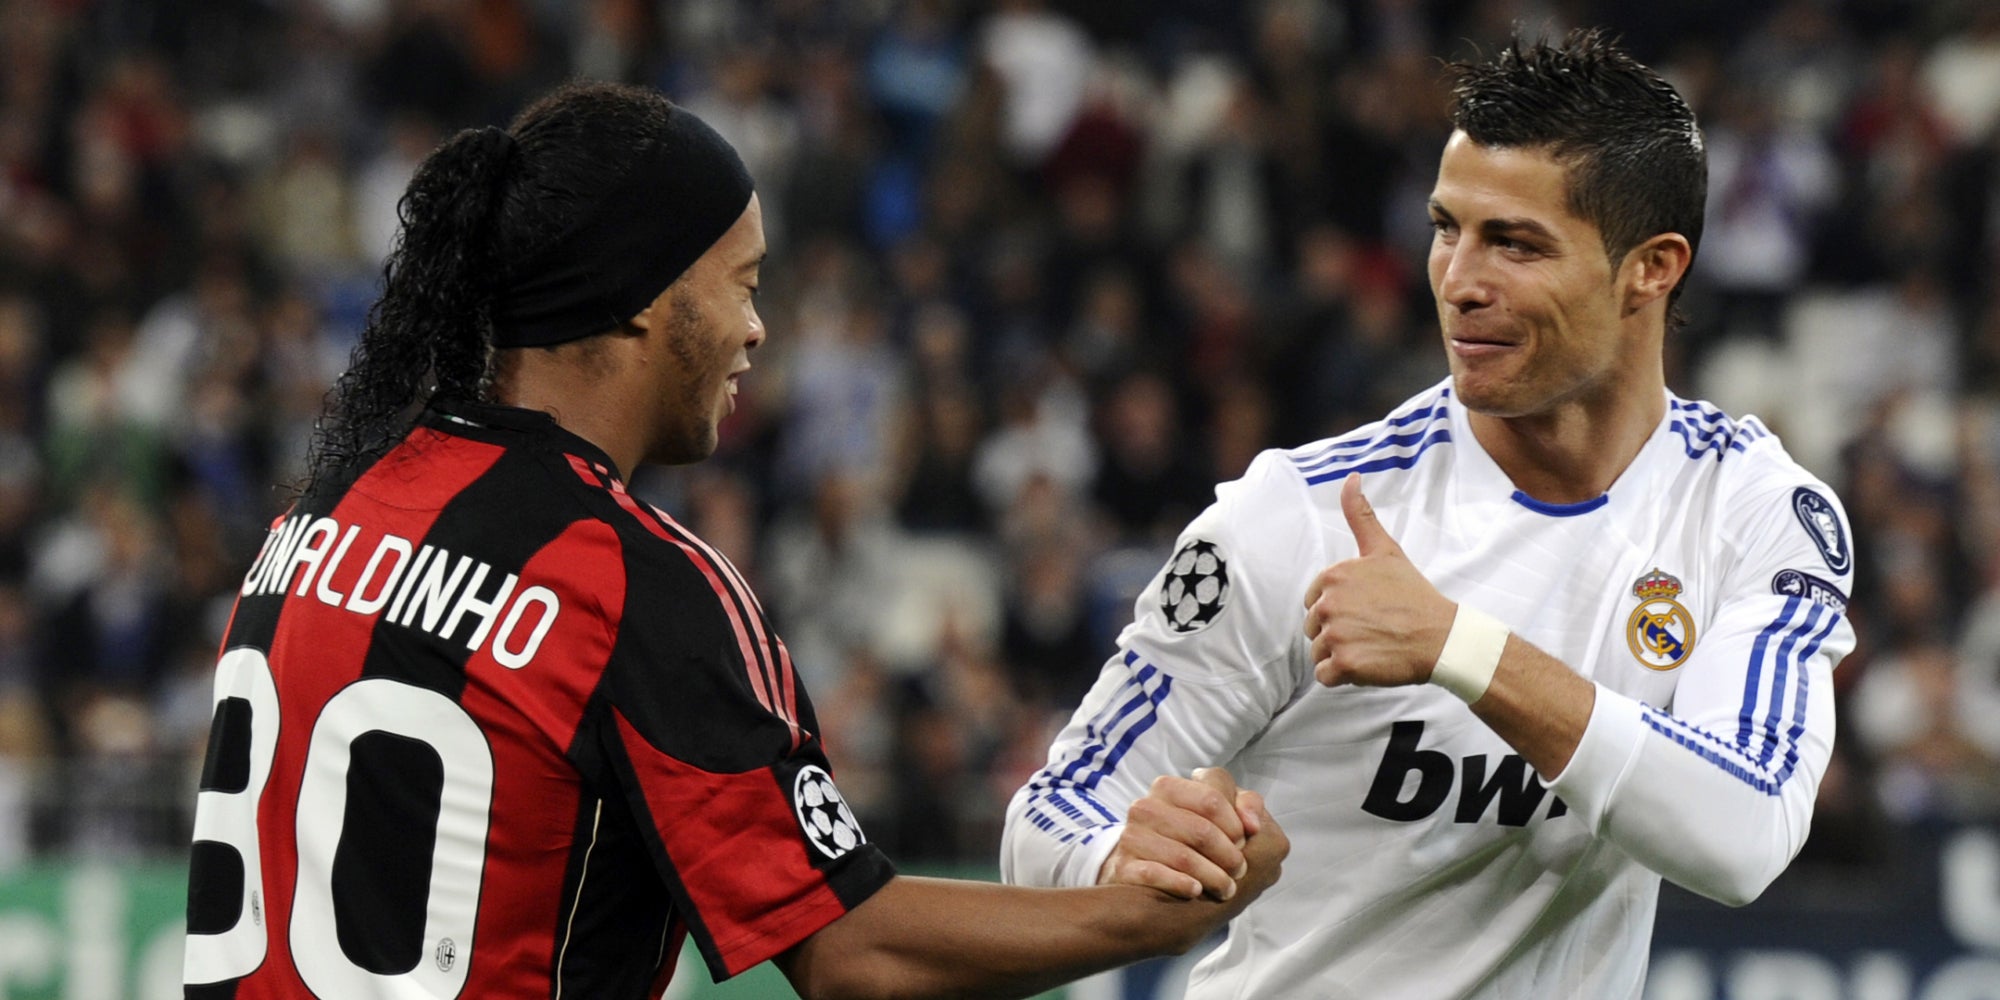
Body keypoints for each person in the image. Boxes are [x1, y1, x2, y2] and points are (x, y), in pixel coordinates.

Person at [180, 82, 1286, 1000]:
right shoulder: (623, 579)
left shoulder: (323, 509)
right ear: (640, 301)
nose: (757, 328)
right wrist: (1134, 914)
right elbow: (853, 949)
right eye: (742, 285)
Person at [1001, 28, 1856, 1000]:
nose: (1458, 280)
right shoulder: (1303, 516)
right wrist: (1125, 856)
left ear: (1649, 268)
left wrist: (1461, 648)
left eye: (1515, 243)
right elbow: (1049, 816)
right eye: (1447, 227)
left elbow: (1740, 834)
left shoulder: (1746, 509)